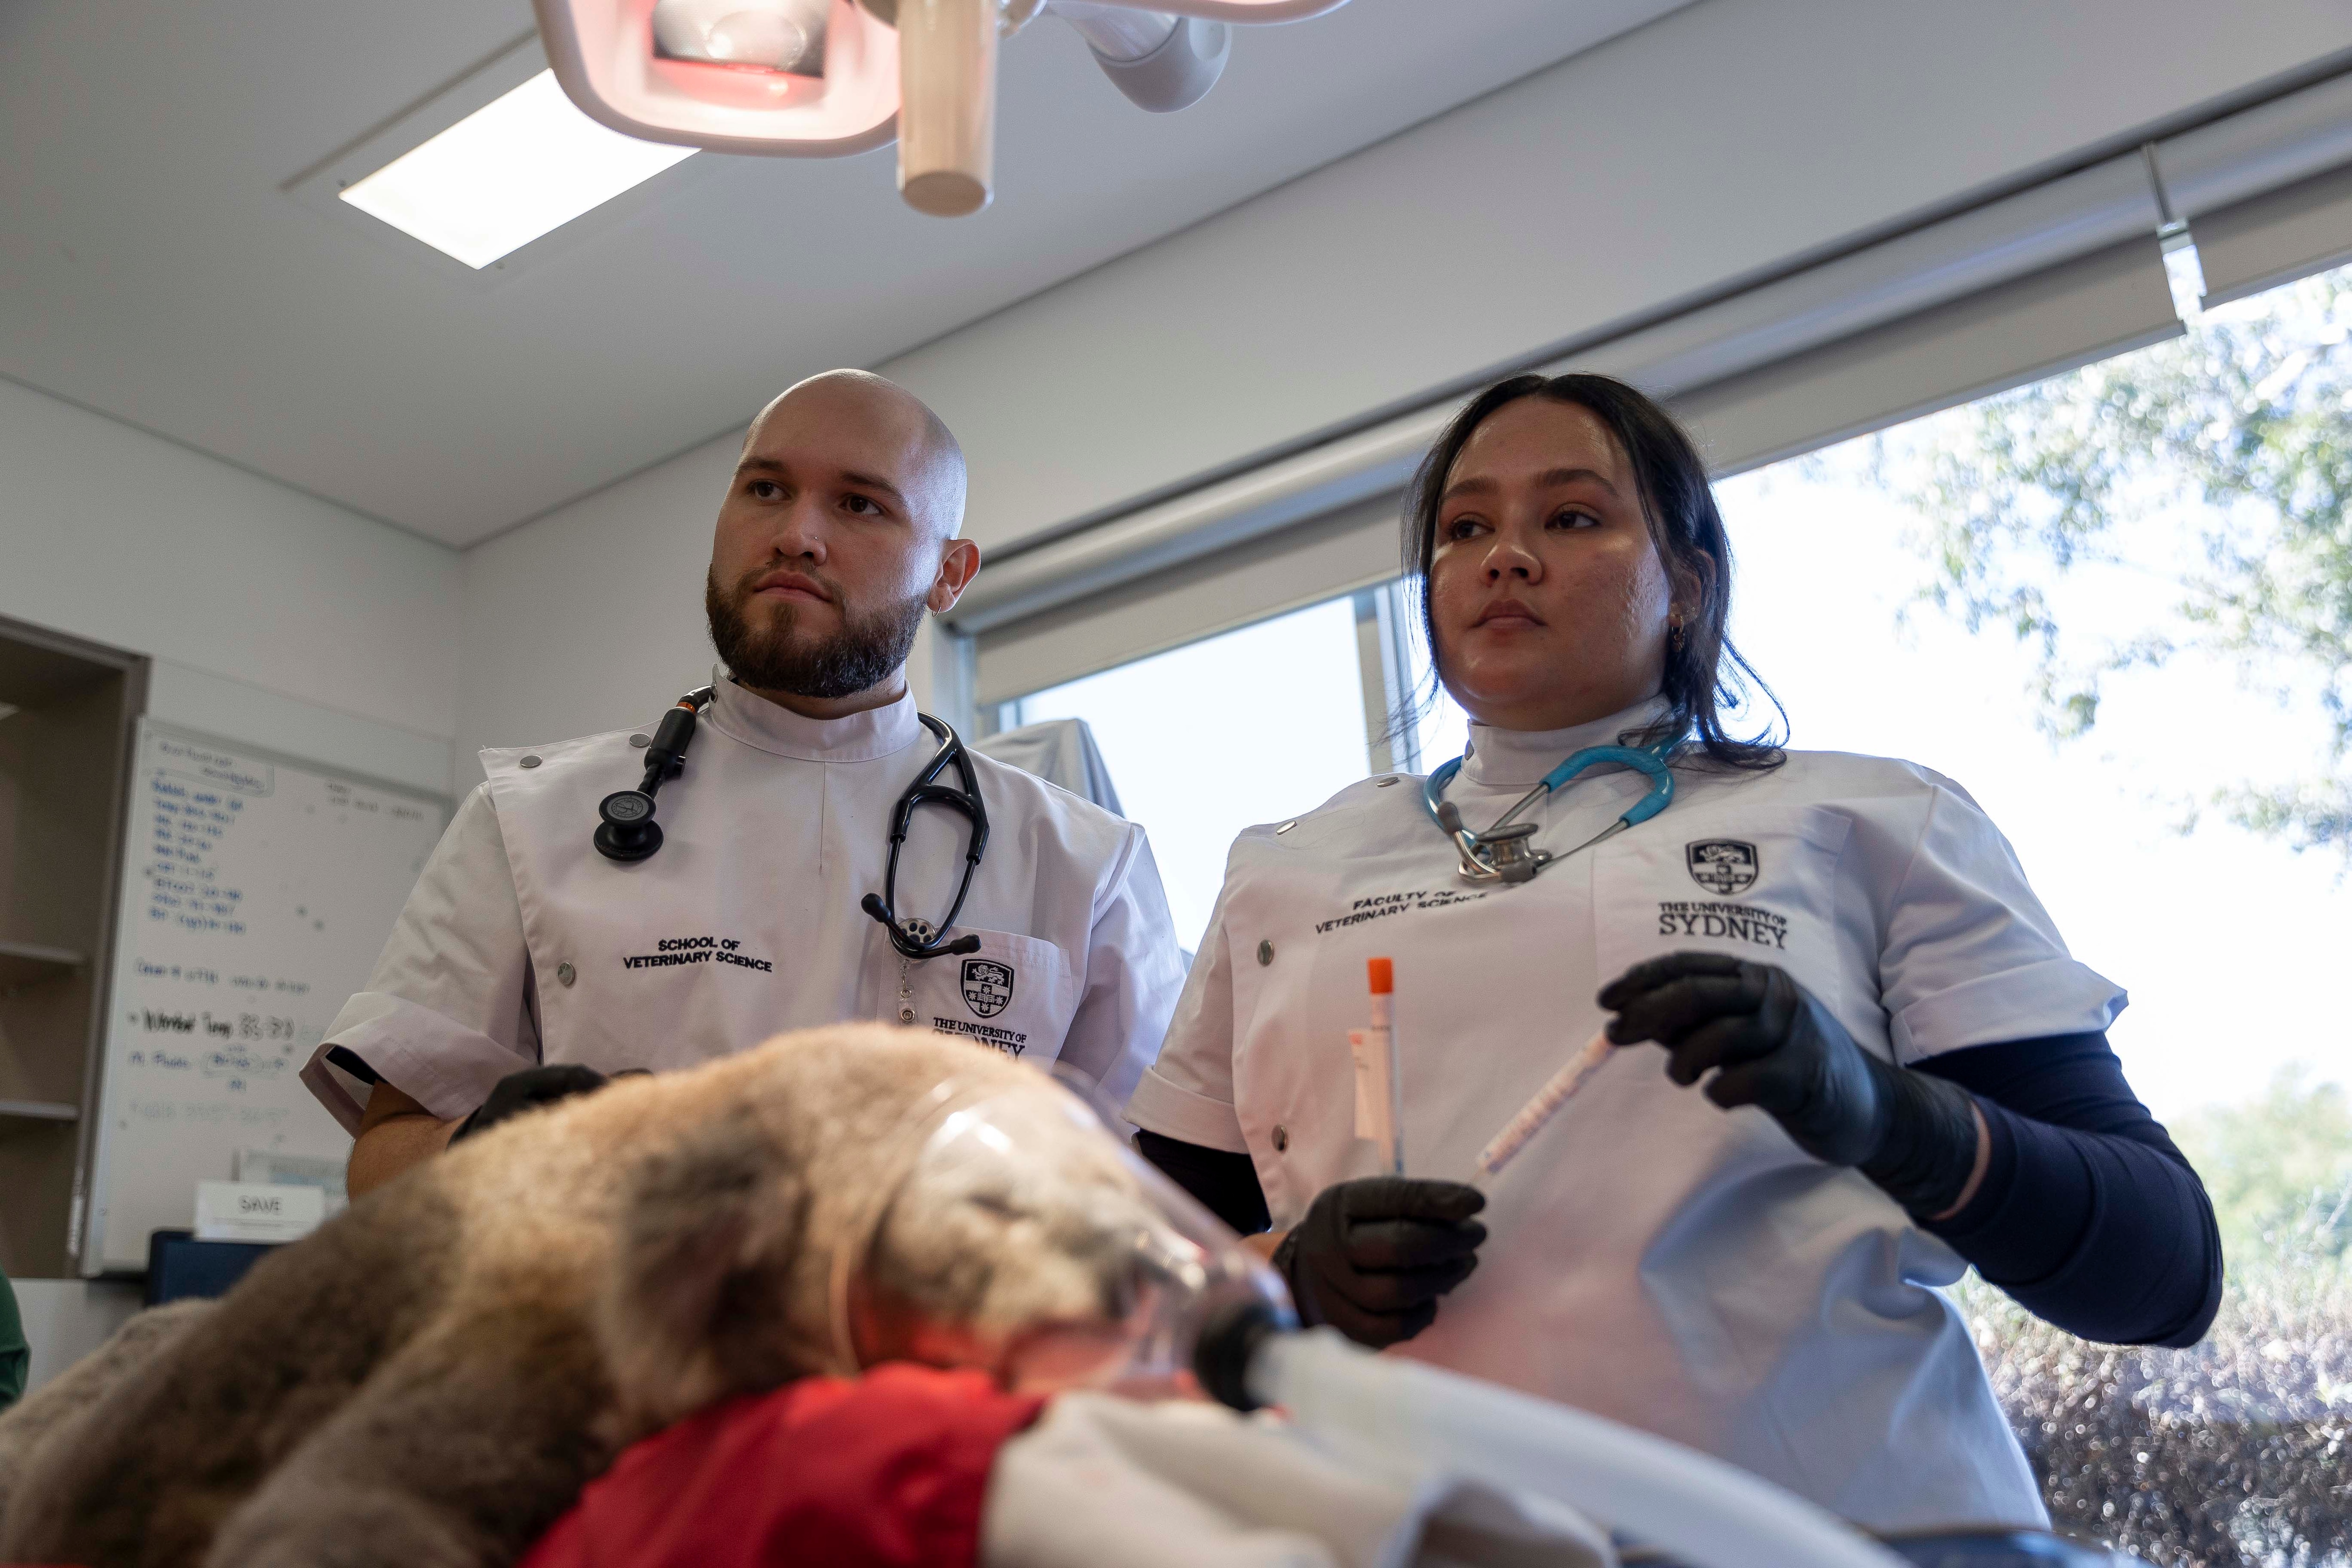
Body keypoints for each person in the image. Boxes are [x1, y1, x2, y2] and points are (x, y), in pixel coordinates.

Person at [1125, 373, 2222, 1532]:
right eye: (1464, 528)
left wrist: (1892, 1117)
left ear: (1687, 588)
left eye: (1572, 516)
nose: (1506, 556)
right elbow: (1113, 1287)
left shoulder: (1873, 818)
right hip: (1428, 1539)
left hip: (1849, 1528)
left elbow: (2164, 1269)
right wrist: (1288, 1275)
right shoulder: (1285, 870)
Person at [306, 370, 1186, 1196]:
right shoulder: (531, 820)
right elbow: (381, 1161)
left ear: (949, 573)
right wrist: (493, 1151)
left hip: (938, 1351)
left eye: (859, 503)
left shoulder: (1083, 865)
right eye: (765, 488)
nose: (797, 533)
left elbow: (1157, 1190)